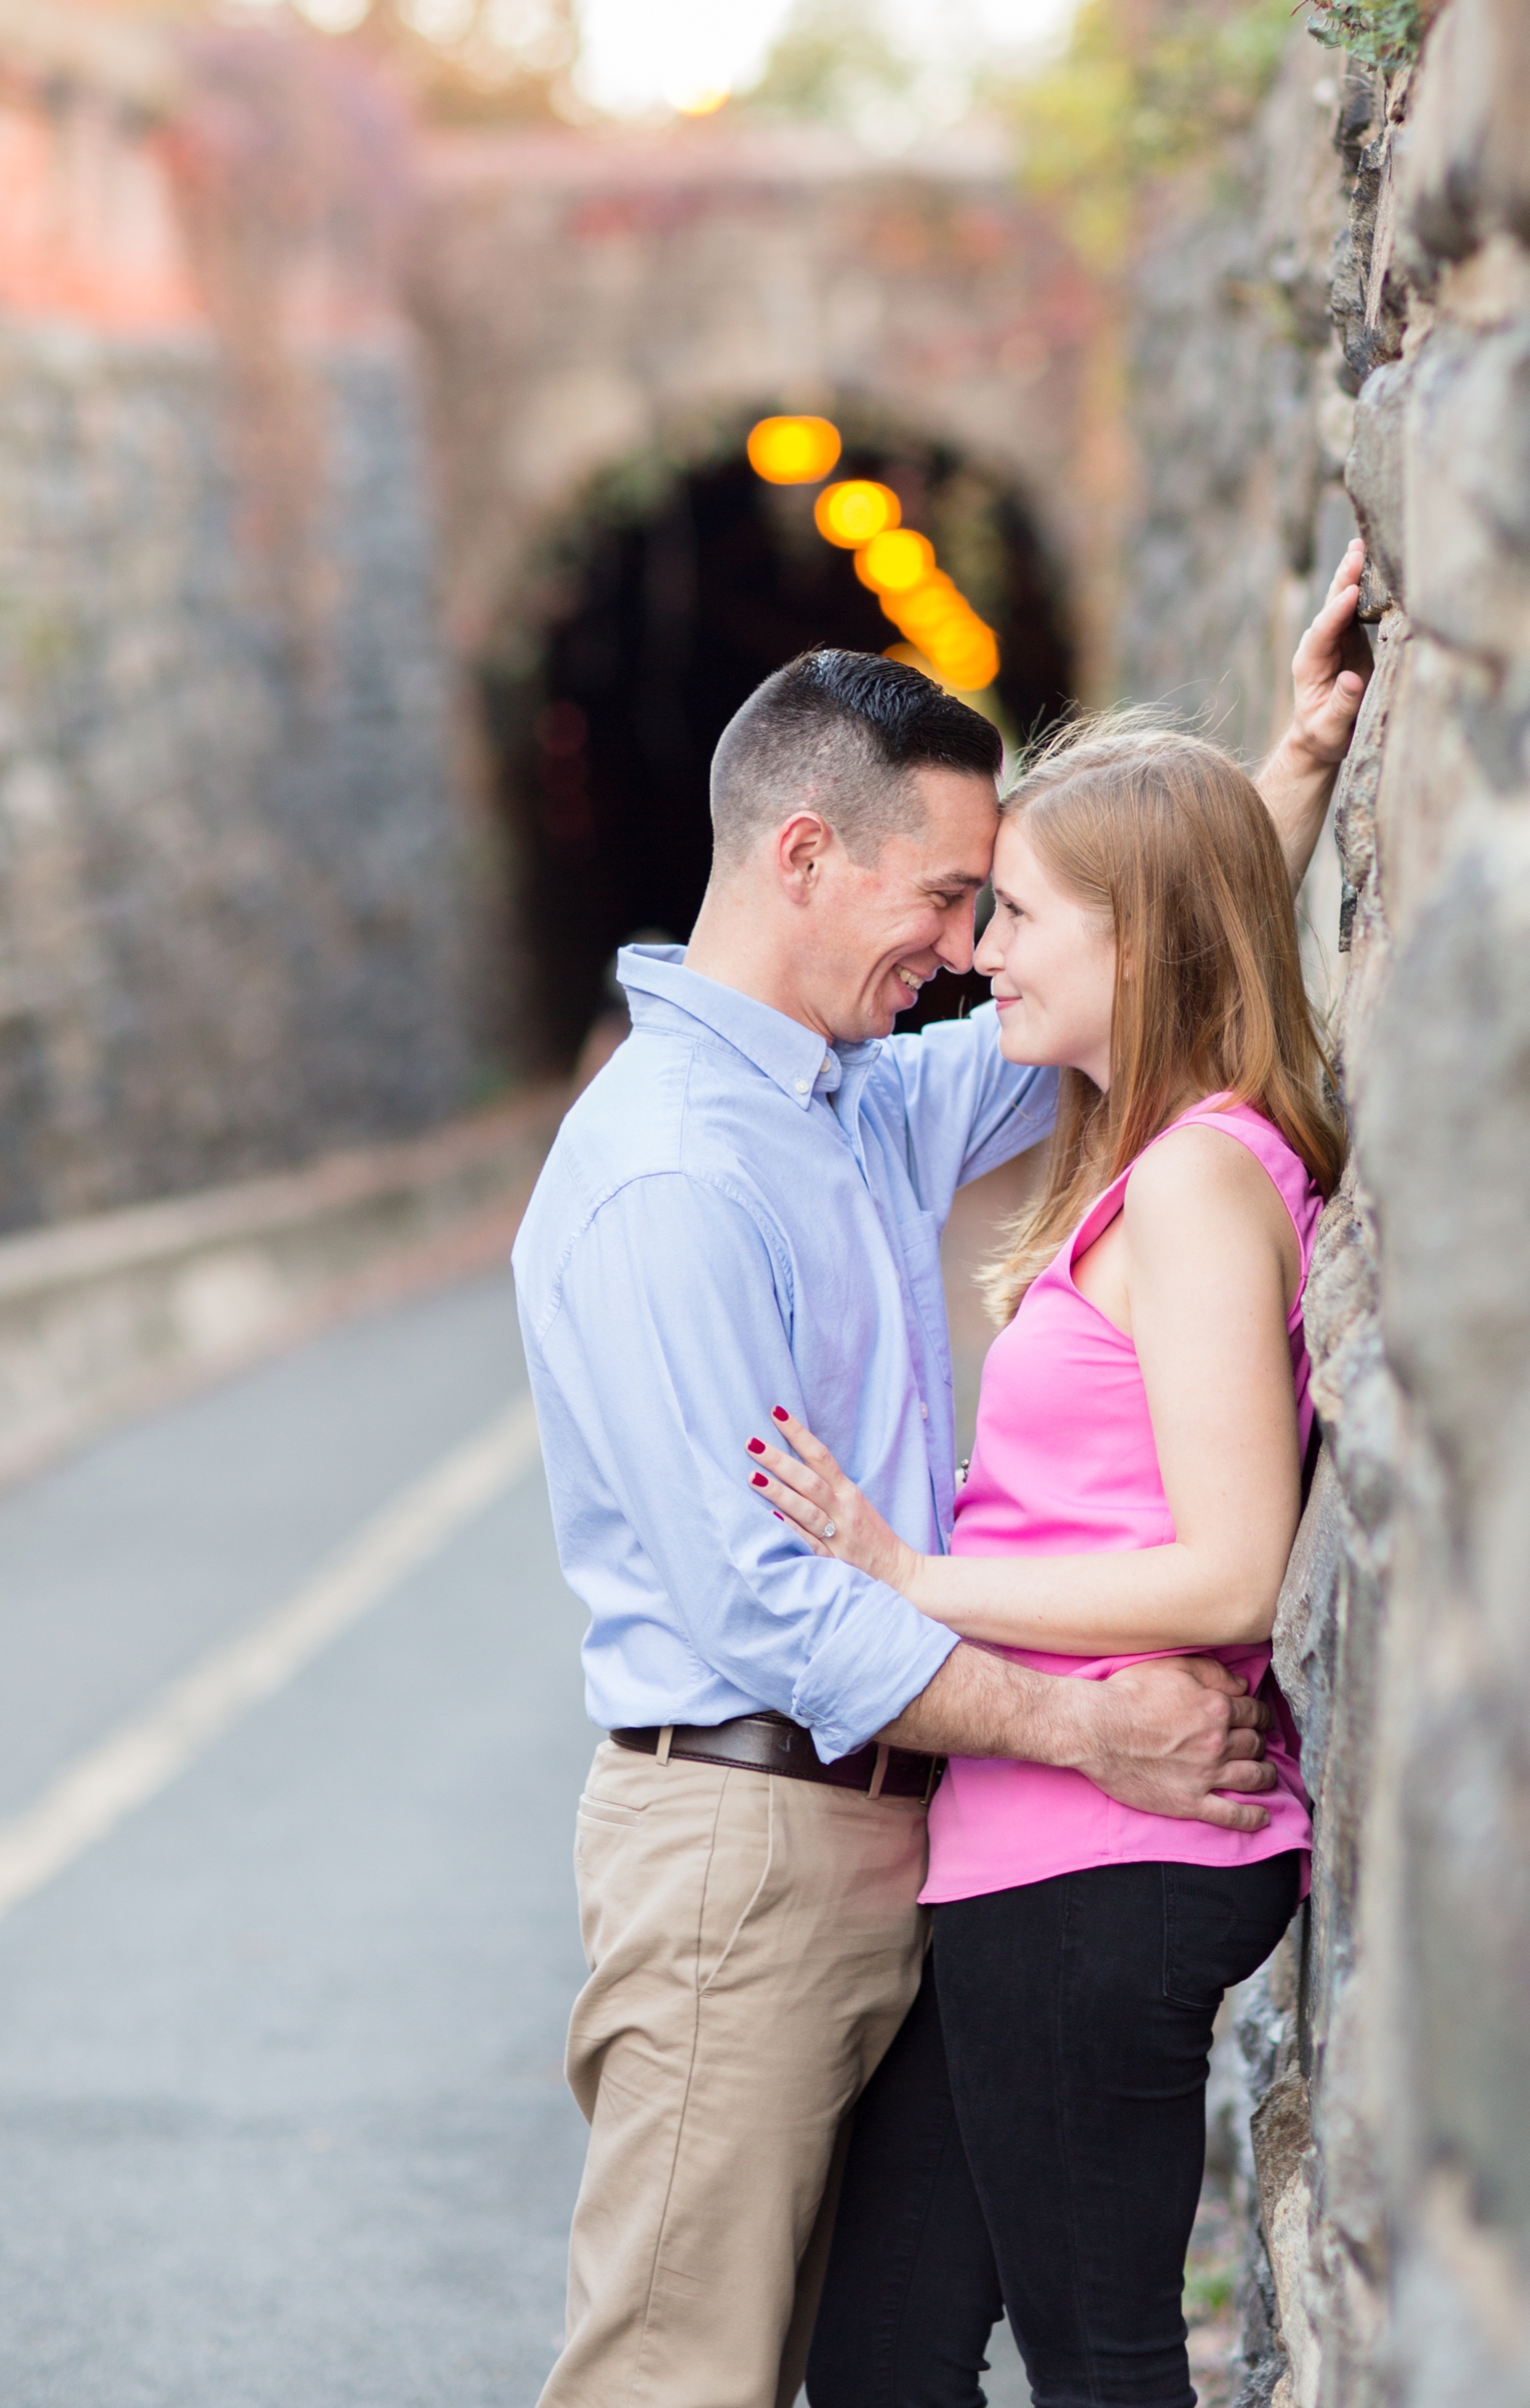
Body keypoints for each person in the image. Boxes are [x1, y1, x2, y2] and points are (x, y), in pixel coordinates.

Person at [511, 544, 1369, 2408]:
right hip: (748, 1847)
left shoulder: (852, 1101)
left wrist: (1296, 770)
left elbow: (1142, 977)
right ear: (804, 856)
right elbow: (772, 1602)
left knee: (870, 2355)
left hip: (912, 1828)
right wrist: (1082, 1733)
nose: (969, 945)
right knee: (682, 2370)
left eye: (996, 904)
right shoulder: (675, 1174)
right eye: (948, 896)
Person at [747, 719, 1341, 2408]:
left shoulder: (1198, 1183)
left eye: (1013, 913)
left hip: (1101, 1868)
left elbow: (1233, 1572)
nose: (976, 950)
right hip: (1023, 1863)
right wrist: (1288, 763)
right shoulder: (1146, 1170)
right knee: (884, 2354)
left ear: (1134, 945)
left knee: (1104, 2371)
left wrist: (901, 1573)